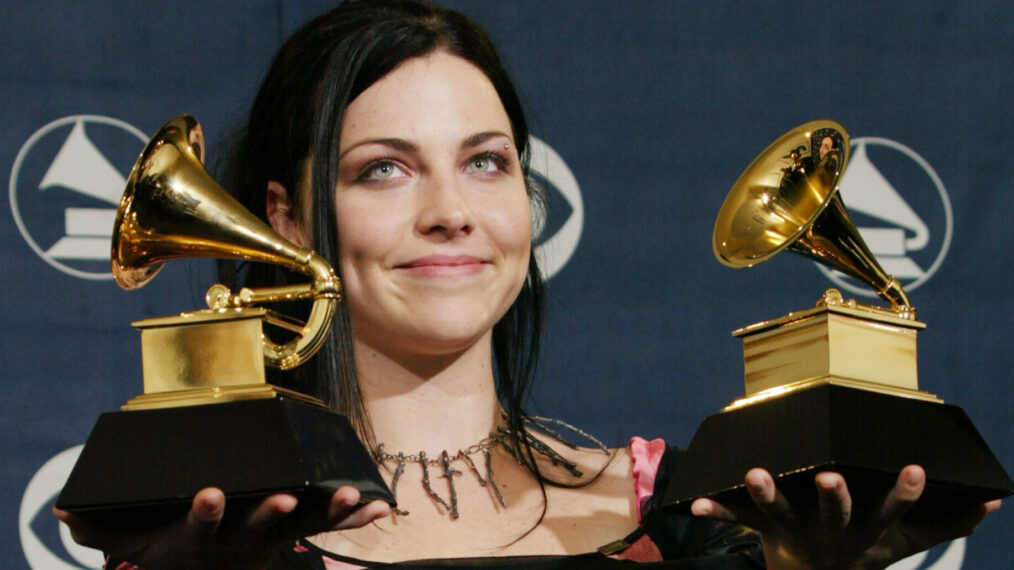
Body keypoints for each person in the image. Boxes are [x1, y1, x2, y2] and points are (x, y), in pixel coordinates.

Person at [55, 1, 1000, 568]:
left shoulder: (679, 509)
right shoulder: (214, 526)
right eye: (383, 168)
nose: (450, 212)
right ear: (287, 217)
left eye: (486, 163)